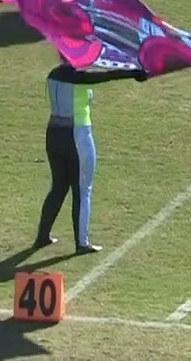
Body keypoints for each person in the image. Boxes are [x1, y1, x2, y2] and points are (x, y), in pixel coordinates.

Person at [35, 61, 147, 254]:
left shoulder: (52, 74)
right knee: (82, 190)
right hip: (78, 136)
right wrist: (133, 72)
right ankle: (82, 243)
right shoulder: (78, 77)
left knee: (58, 187)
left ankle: (42, 236)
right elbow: (108, 75)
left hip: (53, 134)